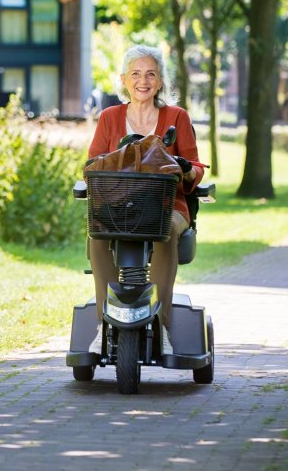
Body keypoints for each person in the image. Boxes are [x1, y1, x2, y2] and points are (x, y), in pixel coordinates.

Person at [87, 45, 204, 354]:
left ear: (161, 81)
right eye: (136, 74)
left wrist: (186, 169)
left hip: (167, 204)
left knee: (163, 231)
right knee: (96, 236)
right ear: (124, 80)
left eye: (151, 74)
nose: (143, 81)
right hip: (117, 205)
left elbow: (196, 168)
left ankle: (163, 325)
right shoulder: (110, 117)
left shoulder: (176, 117)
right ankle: (104, 323)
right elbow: (92, 164)